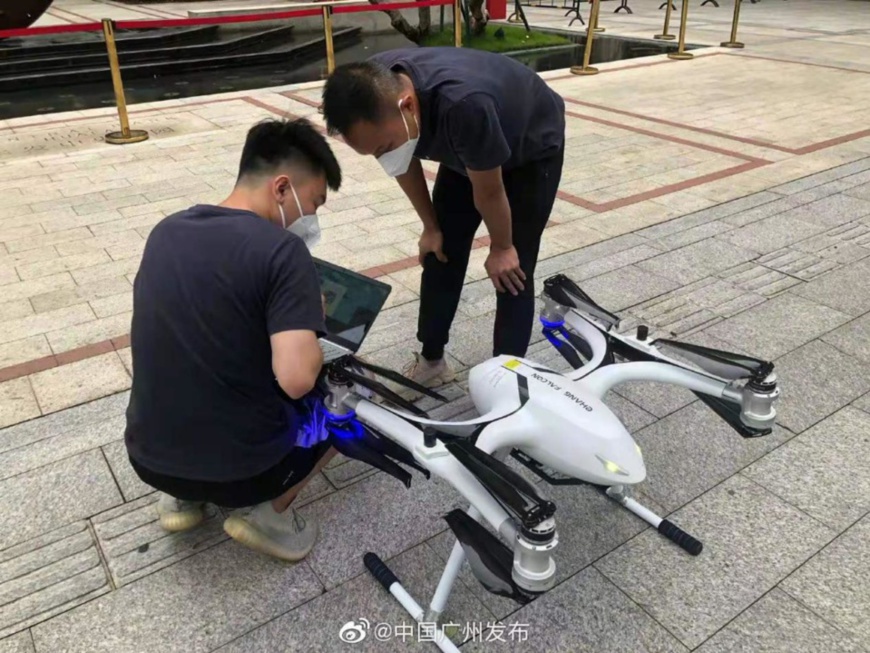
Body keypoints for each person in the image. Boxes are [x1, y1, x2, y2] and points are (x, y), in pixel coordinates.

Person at [124, 118, 342, 563]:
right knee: (348, 407)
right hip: (244, 475)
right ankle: (269, 515)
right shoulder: (283, 252)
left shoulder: (166, 230)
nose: (311, 218)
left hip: (148, 460)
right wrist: (311, 322)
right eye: (314, 203)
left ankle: (180, 499)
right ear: (282, 188)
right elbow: (297, 379)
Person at [320, 47, 566, 392]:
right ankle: (432, 361)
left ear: (407, 106)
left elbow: (490, 193)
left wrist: (502, 246)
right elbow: (400, 161)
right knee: (441, 251)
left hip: (530, 147)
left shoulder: (464, 104)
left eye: (384, 146)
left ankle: (507, 381)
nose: (384, 156)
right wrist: (430, 226)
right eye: (375, 152)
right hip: (469, 145)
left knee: (513, 270)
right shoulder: (373, 89)